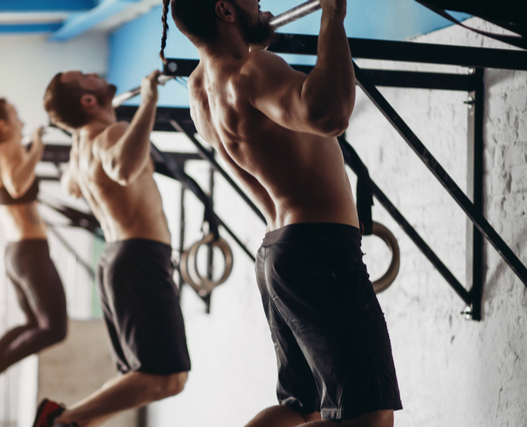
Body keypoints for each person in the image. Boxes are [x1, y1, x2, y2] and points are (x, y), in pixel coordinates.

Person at [160, 0, 403, 426]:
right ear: (225, 10)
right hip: (318, 253)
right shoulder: (252, 72)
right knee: (369, 414)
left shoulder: (201, 88)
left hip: (280, 251)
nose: (261, 2)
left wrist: (254, 40)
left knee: (300, 408)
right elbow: (330, 114)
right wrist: (333, 16)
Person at [35, 71, 190, 427]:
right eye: (86, 77)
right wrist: (149, 101)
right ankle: (62, 422)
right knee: (167, 377)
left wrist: (79, 137)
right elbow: (122, 168)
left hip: (118, 259)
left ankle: (74, 422)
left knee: (141, 377)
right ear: (88, 102)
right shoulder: (112, 133)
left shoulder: (84, 144)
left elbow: (72, 186)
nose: (95, 74)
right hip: (138, 257)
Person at [0, 99, 68, 412]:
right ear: (3, 125)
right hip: (29, 253)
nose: (20, 118)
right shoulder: (7, 148)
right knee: (55, 329)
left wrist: (30, 145)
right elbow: (18, 185)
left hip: (18, 254)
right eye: (14, 114)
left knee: (34, 323)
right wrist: (38, 145)